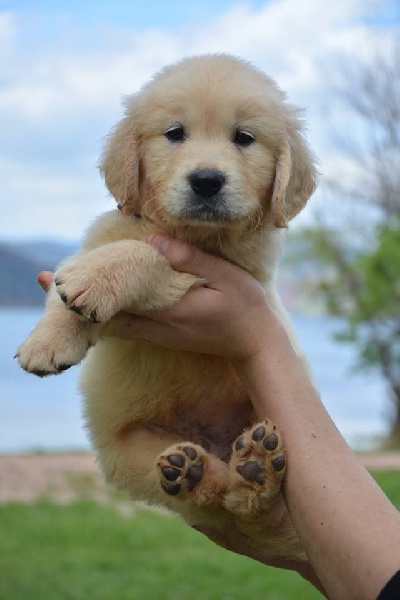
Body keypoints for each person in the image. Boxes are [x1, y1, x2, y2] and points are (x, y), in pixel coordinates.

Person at [38, 233, 400, 600]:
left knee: (263, 452)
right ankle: (225, 486)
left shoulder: (248, 244)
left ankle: (242, 492)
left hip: (246, 416)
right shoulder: (117, 229)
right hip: (149, 429)